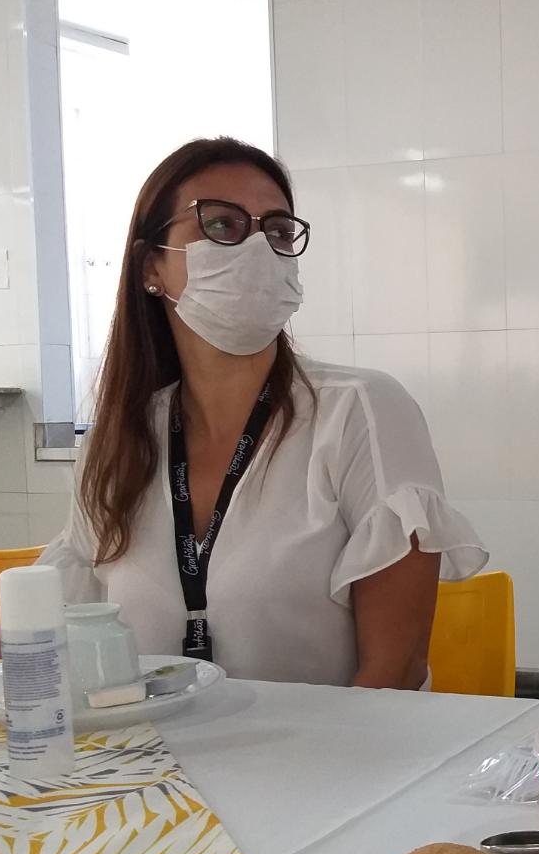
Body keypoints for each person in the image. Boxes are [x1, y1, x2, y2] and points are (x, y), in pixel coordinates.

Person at [43, 138, 485, 688]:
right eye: (220, 225)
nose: (257, 248)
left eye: (276, 231)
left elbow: (394, 672)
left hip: (334, 742)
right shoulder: (118, 442)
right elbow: (73, 655)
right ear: (151, 265)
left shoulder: (359, 410)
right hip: (155, 743)